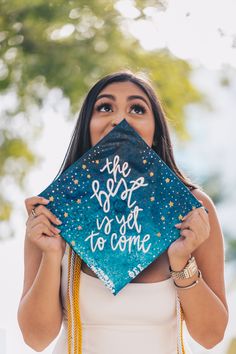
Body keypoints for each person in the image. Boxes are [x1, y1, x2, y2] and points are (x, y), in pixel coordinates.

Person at [17, 70, 229, 354]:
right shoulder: (53, 213)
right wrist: (52, 253)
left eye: (136, 108)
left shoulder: (190, 210)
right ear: (87, 127)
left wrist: (181, 261)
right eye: (105, 107)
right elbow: (36, 338)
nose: (118, 119)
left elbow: (211, 336)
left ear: (156, 132)